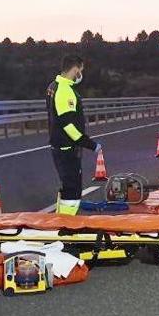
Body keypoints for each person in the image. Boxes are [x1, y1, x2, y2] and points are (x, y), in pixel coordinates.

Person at [46, 54, 101, 215]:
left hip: (58, 145)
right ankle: (67, 226)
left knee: (66, 185)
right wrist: (90, 144)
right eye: (81, 70)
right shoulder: (65, 91)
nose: (81, 74)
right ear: (75, 69)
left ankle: (61, 218)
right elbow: (68, 125)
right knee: (73, 189)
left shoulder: (52, 86)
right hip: (67, 147)